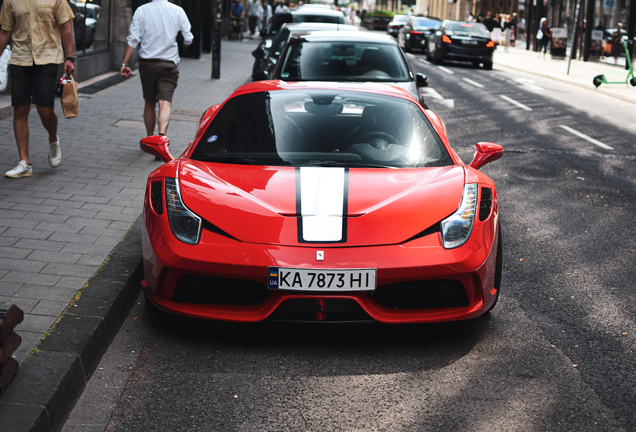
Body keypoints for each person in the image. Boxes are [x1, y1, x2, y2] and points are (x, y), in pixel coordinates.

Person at [0, 0, 75, 178]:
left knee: (45, 109)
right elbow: (5, 31)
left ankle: (53, 138)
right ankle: (24, 162)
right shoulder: (11, 1)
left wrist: (70, 57)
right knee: (20, 108)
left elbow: (65, 27)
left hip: (47, 58)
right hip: (20, 58)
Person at [120, 0, 193, 139]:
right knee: (165, 102)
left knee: (149, 102)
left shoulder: (142, 10)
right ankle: (161, 139)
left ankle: (150, 140)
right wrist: (180, 50)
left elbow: (133, 39)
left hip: (147, 65)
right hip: (169, 65)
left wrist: (124, 63)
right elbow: (188, 38)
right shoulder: (178, 11)